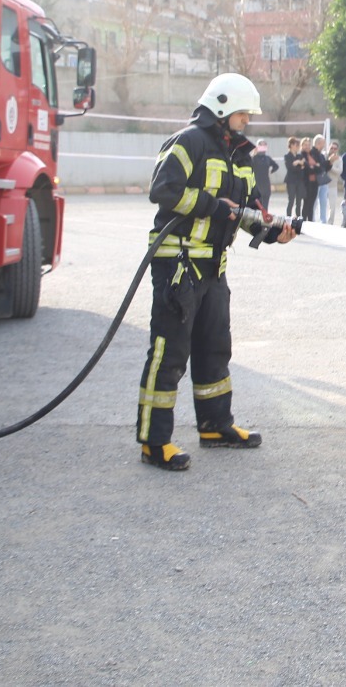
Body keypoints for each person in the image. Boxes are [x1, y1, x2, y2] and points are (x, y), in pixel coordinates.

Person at [136, 73, 297, 472]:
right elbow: (163, 190)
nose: (247, 120)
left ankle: (215, 425)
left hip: (212, 266)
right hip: (178, 263)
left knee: (214, 348)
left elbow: (249, 211)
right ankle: (155, 442)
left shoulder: (239, 155)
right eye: (243, 113)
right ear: (222, 107)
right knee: (169, 353)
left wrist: (275, 231)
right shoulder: (188, 142)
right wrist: (213, 206)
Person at [310, 135, 335, 224]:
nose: (324, 146)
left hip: (323, 181)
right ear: (318, 143)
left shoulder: (321, 155)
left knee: (323, 201)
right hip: (315, 181)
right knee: (314, 201)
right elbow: (317, 166)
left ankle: (323, 221)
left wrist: (330, 162)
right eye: (323, 144)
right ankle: (311, 219)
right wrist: (327, 162)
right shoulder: (311, 153)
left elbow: (324, 168)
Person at [249, 140, 278, 209]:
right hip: (256, 182)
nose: (262, 147)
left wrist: (271, 171)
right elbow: (249, 165)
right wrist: (254, 153)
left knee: (265, 204)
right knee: (257, 204)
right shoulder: (254, 158)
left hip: (266, 183)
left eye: (264, 145)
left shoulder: (267, 158)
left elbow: (276, 166)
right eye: (260, 145)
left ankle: (264, 218)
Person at [283, 136, 306, 218]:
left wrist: (297, 163)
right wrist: (297, 164)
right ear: (291, 145)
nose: (298, 147)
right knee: (291, 200)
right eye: (296, 145)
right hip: (291, 181)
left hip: (299, 181)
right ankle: (288, 217)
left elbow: (303, 166)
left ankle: (298, 217)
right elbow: (290, 167)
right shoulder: (287, 156)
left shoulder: (300, 156)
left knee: (299, 201)